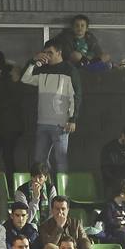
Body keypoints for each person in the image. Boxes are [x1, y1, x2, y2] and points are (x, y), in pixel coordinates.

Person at [21, 39, 81, 176]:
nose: (47, 56)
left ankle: (63, 195)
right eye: (45, 53)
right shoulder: (42, 70)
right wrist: (32, 61)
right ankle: (48, 189)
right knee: (39, 160)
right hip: (42, 122)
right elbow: (25, 78)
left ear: (59, 53)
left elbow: (76, 96)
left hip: (61, 123)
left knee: (61, 160)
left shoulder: (70, 70)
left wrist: (73, 118)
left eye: (50, 53)